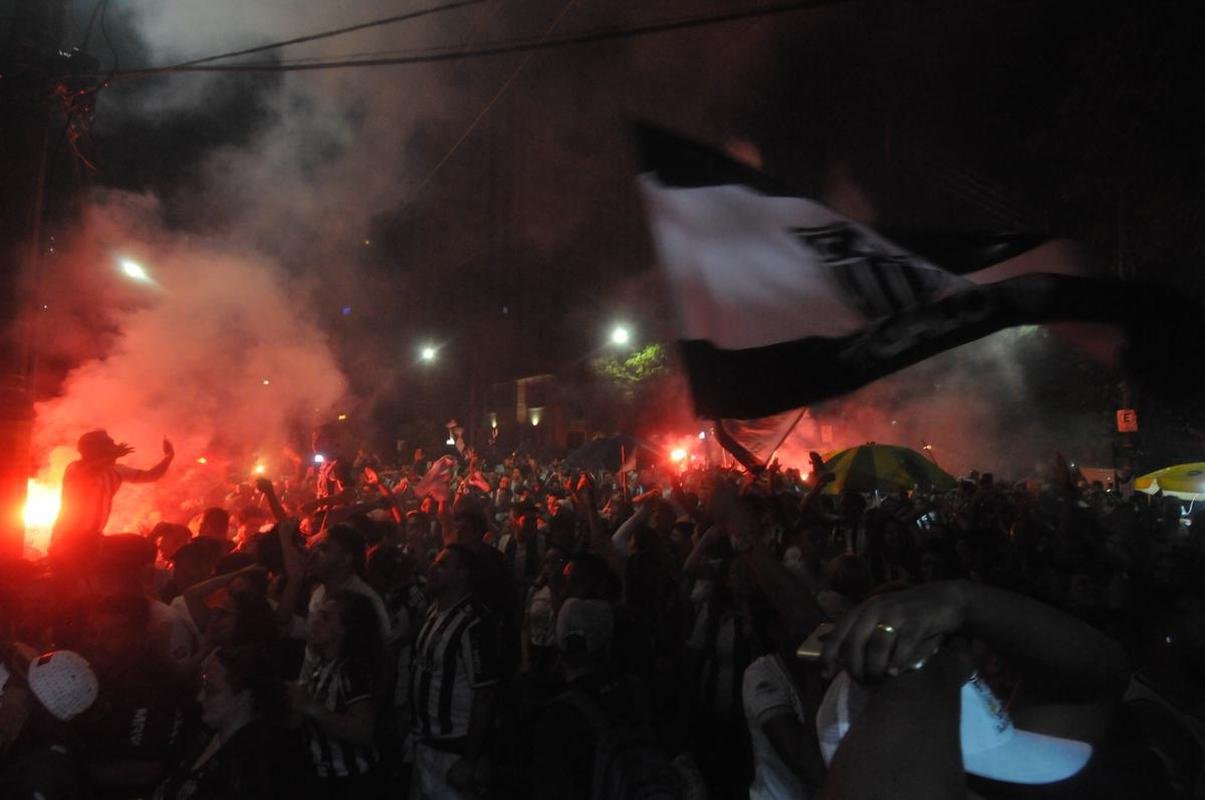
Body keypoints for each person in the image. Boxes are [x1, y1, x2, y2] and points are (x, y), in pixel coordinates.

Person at [409, 545, 500, 800]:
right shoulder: (434, 610)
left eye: (442, 565)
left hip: (454, 751)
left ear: (462, 574)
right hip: (426, 744)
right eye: (434, 563)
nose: (432, 570)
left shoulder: (474, 623)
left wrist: (471, 759)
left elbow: (486, 695)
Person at [154, 645, 285, 800]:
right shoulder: (205, 732)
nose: (200, 697)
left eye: (211, 691)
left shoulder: (247, 764)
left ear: (243, 697)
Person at [292, 591, 383, 799]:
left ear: (345, 629)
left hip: (352, 782)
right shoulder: (322, 664)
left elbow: (364, 731)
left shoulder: (351, 670)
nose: (315, 622)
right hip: (328, 778)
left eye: (325, 618)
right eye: (317, 615)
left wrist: (311, 707)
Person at [50, 430, 174, 569]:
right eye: (109, 443)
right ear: (93, 449)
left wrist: (169, 457)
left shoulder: (116, 470)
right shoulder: (75, 468)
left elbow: (152, 476)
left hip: (94, 539)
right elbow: (90, 471)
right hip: (67, 538)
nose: (115, 446)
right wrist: (111, 456)